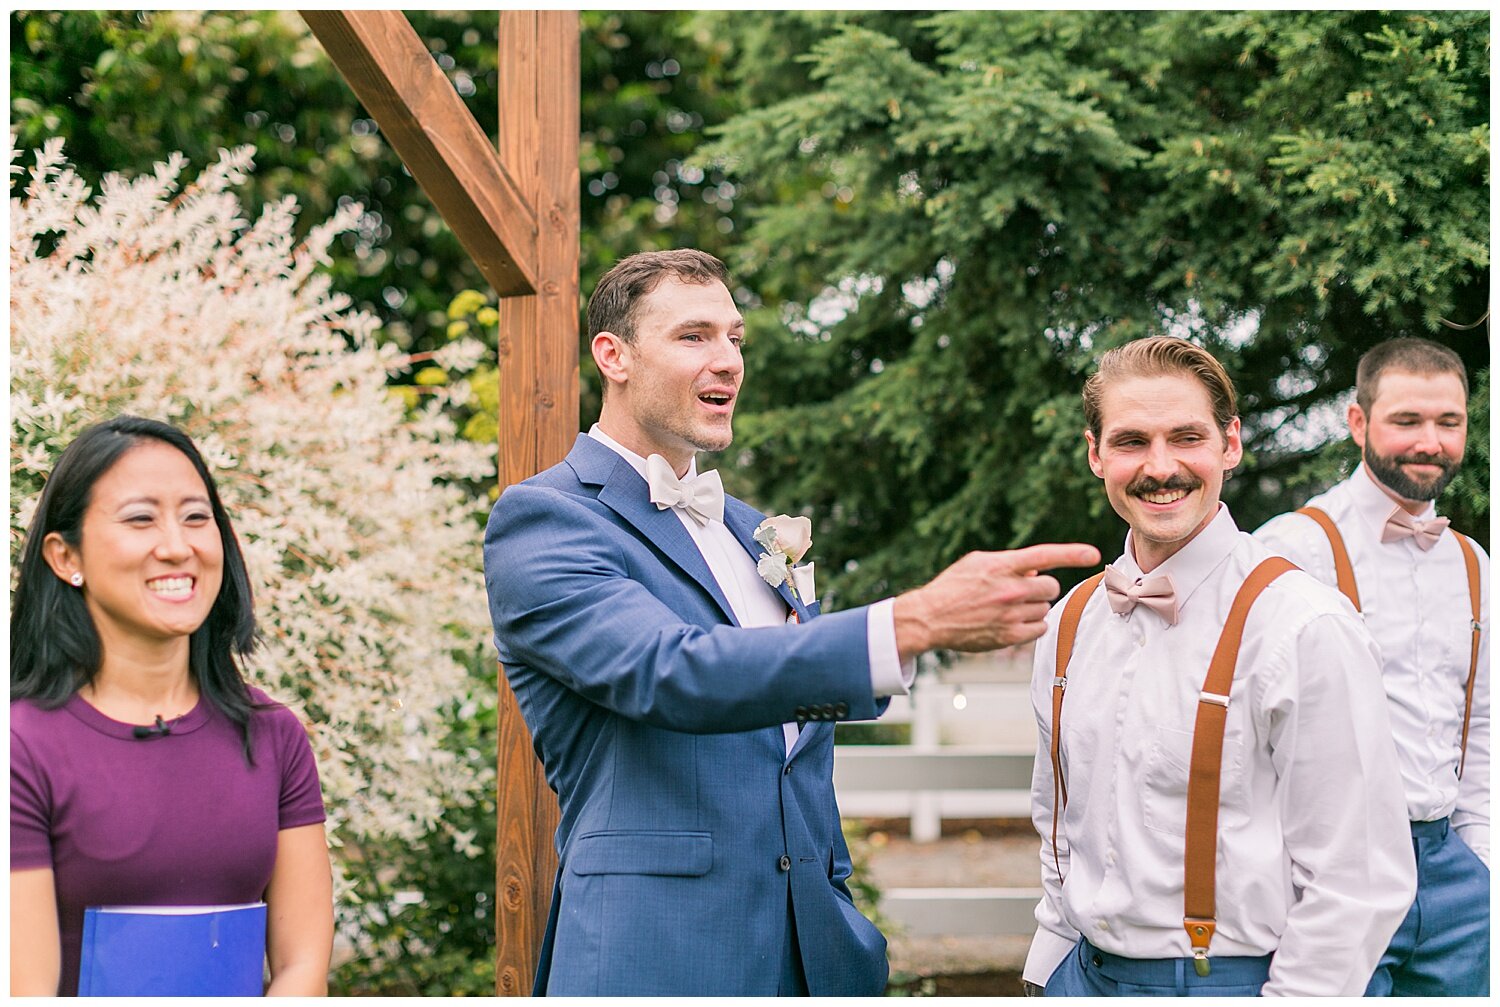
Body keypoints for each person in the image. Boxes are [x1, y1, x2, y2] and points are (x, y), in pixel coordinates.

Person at [483, 248, 1099, 996]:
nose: (728, 360)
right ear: (613, 356)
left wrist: (837, 904)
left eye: (735, 337)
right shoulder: (546, 518)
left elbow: (792, 743)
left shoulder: (750, 531)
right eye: (694, 336)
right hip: (655, 955)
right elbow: (671, 671)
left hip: (811, 955)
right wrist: (910, 623)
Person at [1024, 337, 1415, 997]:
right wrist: (1044, 971)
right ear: (1095, 454)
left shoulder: (1303, 625)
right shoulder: (1069, 623)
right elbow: (1059, 824)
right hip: (1079, 975)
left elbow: (1357, 878)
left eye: (1187, 437)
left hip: (1228, 980)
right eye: (1131, 442)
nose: (1160, 467)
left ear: (1230, 444)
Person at [10, 416, 333, 996]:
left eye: (196, 517)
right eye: (140, 519)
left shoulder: (274, 736)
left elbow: (301, 966)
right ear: (65, 557)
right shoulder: (20, 748)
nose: (178, 547)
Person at [1255, 337, 1488, 996]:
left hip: (1454, 877)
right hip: (1332, 871)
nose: (1430, 442)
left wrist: (1483, 866)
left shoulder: (1474, 563)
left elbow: (1482, 726)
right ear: (1358, 422)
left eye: (1449, 422)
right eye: (1407, 420)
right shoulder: (1290, 548)